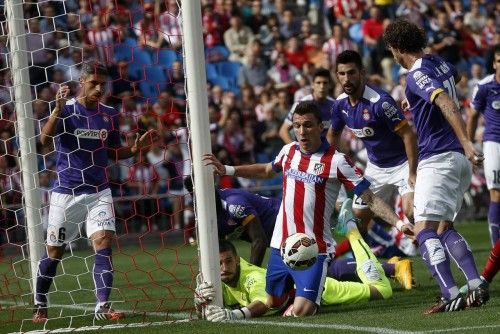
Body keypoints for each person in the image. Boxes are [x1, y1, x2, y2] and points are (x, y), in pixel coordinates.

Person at [203, 101, 413, 317]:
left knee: (303, 310)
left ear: (320, 126)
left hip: (314, 248)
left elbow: (369, 198)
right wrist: (228, 169)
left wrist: (399, 223)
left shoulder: (337, 161)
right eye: (297, 125)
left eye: (308, 125)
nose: (302, 132)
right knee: (273, 302)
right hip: (280, 245)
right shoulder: (289, 151)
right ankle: (308, 292)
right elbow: (267, 170)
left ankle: (370, 281)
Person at [33, 61, 154, 322]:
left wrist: (133, 150)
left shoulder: (109, 113)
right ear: (82, 83)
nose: (99, 88)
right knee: (55, 252)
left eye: (103, 84)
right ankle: (40, 300)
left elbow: (112, 152)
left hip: (99, 191)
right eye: (94, 83)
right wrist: (56, 110)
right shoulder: (66, 110)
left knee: (103, 241)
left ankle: (103, 305)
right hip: (66, 192)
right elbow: (42, 143)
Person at [383, 19, 489, 314]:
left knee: (424, 230)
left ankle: (449, 293)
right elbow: (451, 81)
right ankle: (474, 283)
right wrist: (415, 104)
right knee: (444, 228)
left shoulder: (415, 75)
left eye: (391, 49)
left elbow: (442, 99)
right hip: (457, 163)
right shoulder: (438, 63)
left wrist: (467, 141)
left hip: (439, 157)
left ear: (397, 48)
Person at [195, 207, 395, 322]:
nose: (224, 267)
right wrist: (201, 301)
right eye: (219, 263)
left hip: (320, 292)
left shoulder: (252, 279)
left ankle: (351, 228)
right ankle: (392, 267)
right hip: (298, 287)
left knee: (381, 290)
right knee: (338, 268)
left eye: (228, 261)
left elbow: (263, 304)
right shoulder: (222, 280)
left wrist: (234, 315)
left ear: (237, 260)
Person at [329, 49, 418, 232]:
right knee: (358, 218)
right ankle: (370, 255)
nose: (346, 79)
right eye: (342, 74)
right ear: (337, 75)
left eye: (351, 73)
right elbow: (333, 134)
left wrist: (413, 171)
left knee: (411, 211)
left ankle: (429, 237)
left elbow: (408, 135)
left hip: (402, 164)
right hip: (376, 167)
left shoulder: (380, 102)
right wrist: (332, 162)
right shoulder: (340, 104)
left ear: (362, 73)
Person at [467, 43, 500, 248]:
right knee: (496, 192)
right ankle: (497, 247)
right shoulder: (485, 86)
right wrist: (469, 146)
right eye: (499, 61)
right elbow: (472, 117)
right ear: (494, 63)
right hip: (493, 143)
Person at [278, 68, 335, 145]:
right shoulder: (301, 104)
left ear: (330, 85)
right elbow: (283, 131)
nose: (322, 86)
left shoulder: (335, 105)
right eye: (318, 83)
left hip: (325, 152)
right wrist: (295, 151)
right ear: (312, 85)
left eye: (325, 83)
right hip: (305, 152)